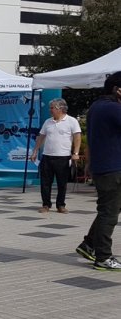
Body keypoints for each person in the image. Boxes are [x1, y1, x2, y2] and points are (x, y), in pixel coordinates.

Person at [76, 71, 121, 271]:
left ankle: (89, 244)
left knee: (109, 210)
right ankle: (103, 257)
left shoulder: (97, 106)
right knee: (109, 213)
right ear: (117, 89)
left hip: (105, 167)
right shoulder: (113, 108)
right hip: (113, 169)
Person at [29, 98, 81, 213]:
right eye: (50, 107)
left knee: (62, 183)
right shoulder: (48, 122)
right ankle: (46, 204)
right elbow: (41, 137)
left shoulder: (72, 121)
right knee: (45, 183)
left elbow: (77, 137)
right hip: (47, 156)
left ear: (60, 109)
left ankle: (60, 205)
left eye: (52, 108)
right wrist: (35, 151)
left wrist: (75, 153)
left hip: (63, 157)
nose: (50, 110)